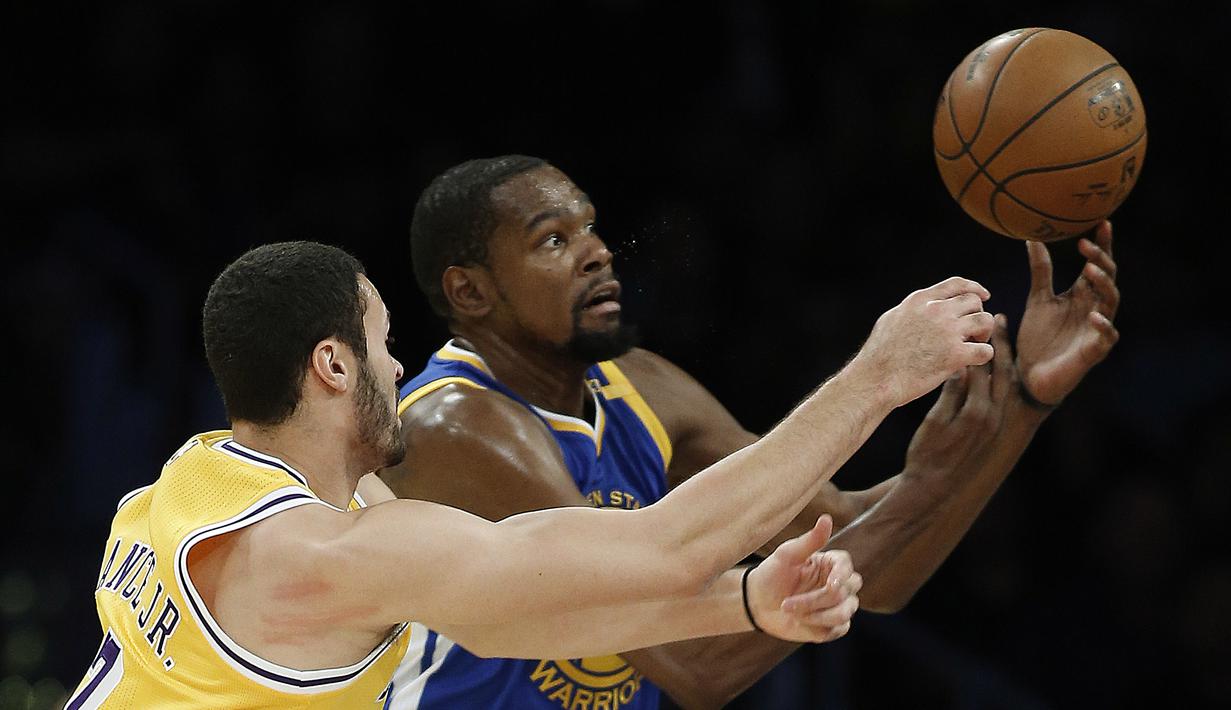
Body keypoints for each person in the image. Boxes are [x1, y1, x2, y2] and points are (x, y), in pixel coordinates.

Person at [68, 240, 994, 708]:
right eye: (384, 344)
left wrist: (743, 606)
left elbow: (507, 617)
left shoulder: (189, 482)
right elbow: (662, 547)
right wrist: (879, 377)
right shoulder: (317, 556)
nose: (401, 368)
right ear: (333, 366)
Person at [379, 155, 1121, 708]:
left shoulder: (641, 383)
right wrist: (877, 380)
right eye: (551, 240)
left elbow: (866, 561)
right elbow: (694, 665)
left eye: (589, 226)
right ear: (469, 292)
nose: (597, 251)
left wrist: (1024, 403)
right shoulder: (455, 428)